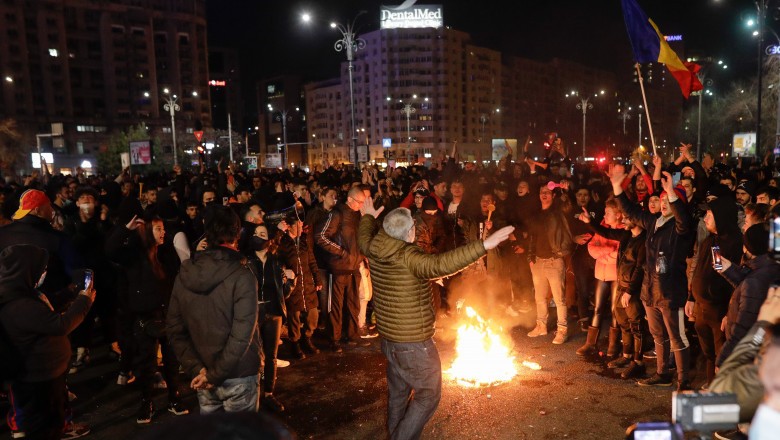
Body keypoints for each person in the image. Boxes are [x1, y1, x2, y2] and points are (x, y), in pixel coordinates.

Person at [357, 198, 513, 440]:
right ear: (409, 232)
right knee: (428, 394)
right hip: (413, 343)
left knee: (399, 394)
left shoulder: (374, 246)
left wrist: (367, 216)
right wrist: (484, 245)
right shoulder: (409, 256)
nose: (415, 230)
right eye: (413, 227)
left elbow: (364, 235)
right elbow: (443, 263)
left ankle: (395, 435)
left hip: (390, 340)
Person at [166, 205, 262, 413]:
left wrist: (198, 369)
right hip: (237, 374)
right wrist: (213, 374)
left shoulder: (186, 274)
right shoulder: (242, 274)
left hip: (203, 372)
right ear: (237, 232)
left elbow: (174, 329)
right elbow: (242, 333)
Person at [612, 164, 696, 391]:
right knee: (658, 334)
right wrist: (617, 189)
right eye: (662, 199)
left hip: (670, 293)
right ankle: (662, 373)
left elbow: (683, 221)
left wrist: (671, 192)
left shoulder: (681, 228)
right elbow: (631, 212)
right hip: (651, 291)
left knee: (677, 337)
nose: (665, 203)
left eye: (670, 200)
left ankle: (683, 380)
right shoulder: (653, 223)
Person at [0, 244, 94, 440]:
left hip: (46, 374)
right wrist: (84, 301)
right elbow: (60, 325)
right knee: (45, 428)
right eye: (41, 269)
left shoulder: (20, 291)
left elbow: (42, 311)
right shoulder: (18, 305)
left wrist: (69, 292)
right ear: (26, 269)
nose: (44, 273)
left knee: (53, 422)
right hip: (38, 380)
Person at [106, 214, 188, 424]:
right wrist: (126, 228)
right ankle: (147, 401)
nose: (163, 232)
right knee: (147, 363)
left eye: (163, 228)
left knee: (171, 361)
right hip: (144, 317)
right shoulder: (134, 255)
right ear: (147, 231)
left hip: (167, 315)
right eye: (158, 228)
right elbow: (110, 250)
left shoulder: (166, 253)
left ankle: (174, 398)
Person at [314, 186, 368, 352]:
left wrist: (361, 257)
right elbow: (320, 236)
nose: (361, 205)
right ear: (350, 200)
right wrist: (342, 253)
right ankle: (334, 339)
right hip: (338, 267)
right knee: (335, 305)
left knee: (353, 303)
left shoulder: (358, 215)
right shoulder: (336, 214)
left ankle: (352, 335)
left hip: (353, 266)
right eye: (359, 202)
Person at [246, 223, 289, 413]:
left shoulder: (276, 260)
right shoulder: (246, 261)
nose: (259, 237)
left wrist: (290, 282)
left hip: (273, 311)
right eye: (256, 234)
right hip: (252, 311)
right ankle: (251, 395)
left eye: (262, 234)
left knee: (271, 355)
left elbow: (284, 290)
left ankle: (269, 394)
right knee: (253, 355)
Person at [526, 183, 573, 344]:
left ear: (553, 196)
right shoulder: (536, 215)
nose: (544, 194)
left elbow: (568, 206)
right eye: (542, 192)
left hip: (554, 260)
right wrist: (530, 258)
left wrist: (565, 191)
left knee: (559, 299)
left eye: (547, 192)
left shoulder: (558, 212)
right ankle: (541, 326)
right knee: (539, 297)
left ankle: (562, 330)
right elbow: (532, 237)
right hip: (538, 261)